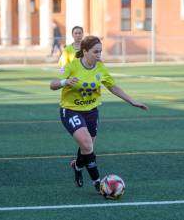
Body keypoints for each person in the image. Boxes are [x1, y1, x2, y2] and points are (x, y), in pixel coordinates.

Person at [50, 36, 148, 192]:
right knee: (87, 144)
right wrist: (64, 82)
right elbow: (52, 84)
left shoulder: (100, 68)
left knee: (86, 147)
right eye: (95, 51)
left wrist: (132, 101)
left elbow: (113, 87)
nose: (99, 55)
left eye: (100, 51)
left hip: (91, 112)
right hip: (70, 110)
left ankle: (77, 166)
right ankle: (98, 182)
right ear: (85, 51)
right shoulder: (71, 66)